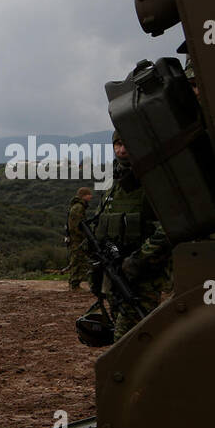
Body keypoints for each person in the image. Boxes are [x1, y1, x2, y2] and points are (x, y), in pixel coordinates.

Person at [97, 131, 170, 340]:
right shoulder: (112, 185)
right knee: (128, 336)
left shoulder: (152, 181)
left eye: (125, 144)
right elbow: (103, 226)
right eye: (117, 144)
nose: (121, 150)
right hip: (116, 275)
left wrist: (137, 259)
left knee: (130, 338)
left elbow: (169, 227)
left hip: (144, 276)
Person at [66, 186, 94, 289]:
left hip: (76, 238)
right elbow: (75, 226)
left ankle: (74, 283)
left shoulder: (79, 206)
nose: (91, 197)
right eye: (89, 195)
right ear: (84, 196)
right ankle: (74, 284)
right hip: (76, 239)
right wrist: (84, 236)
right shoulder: (78, 207)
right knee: (77, 260)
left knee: (77, 260)